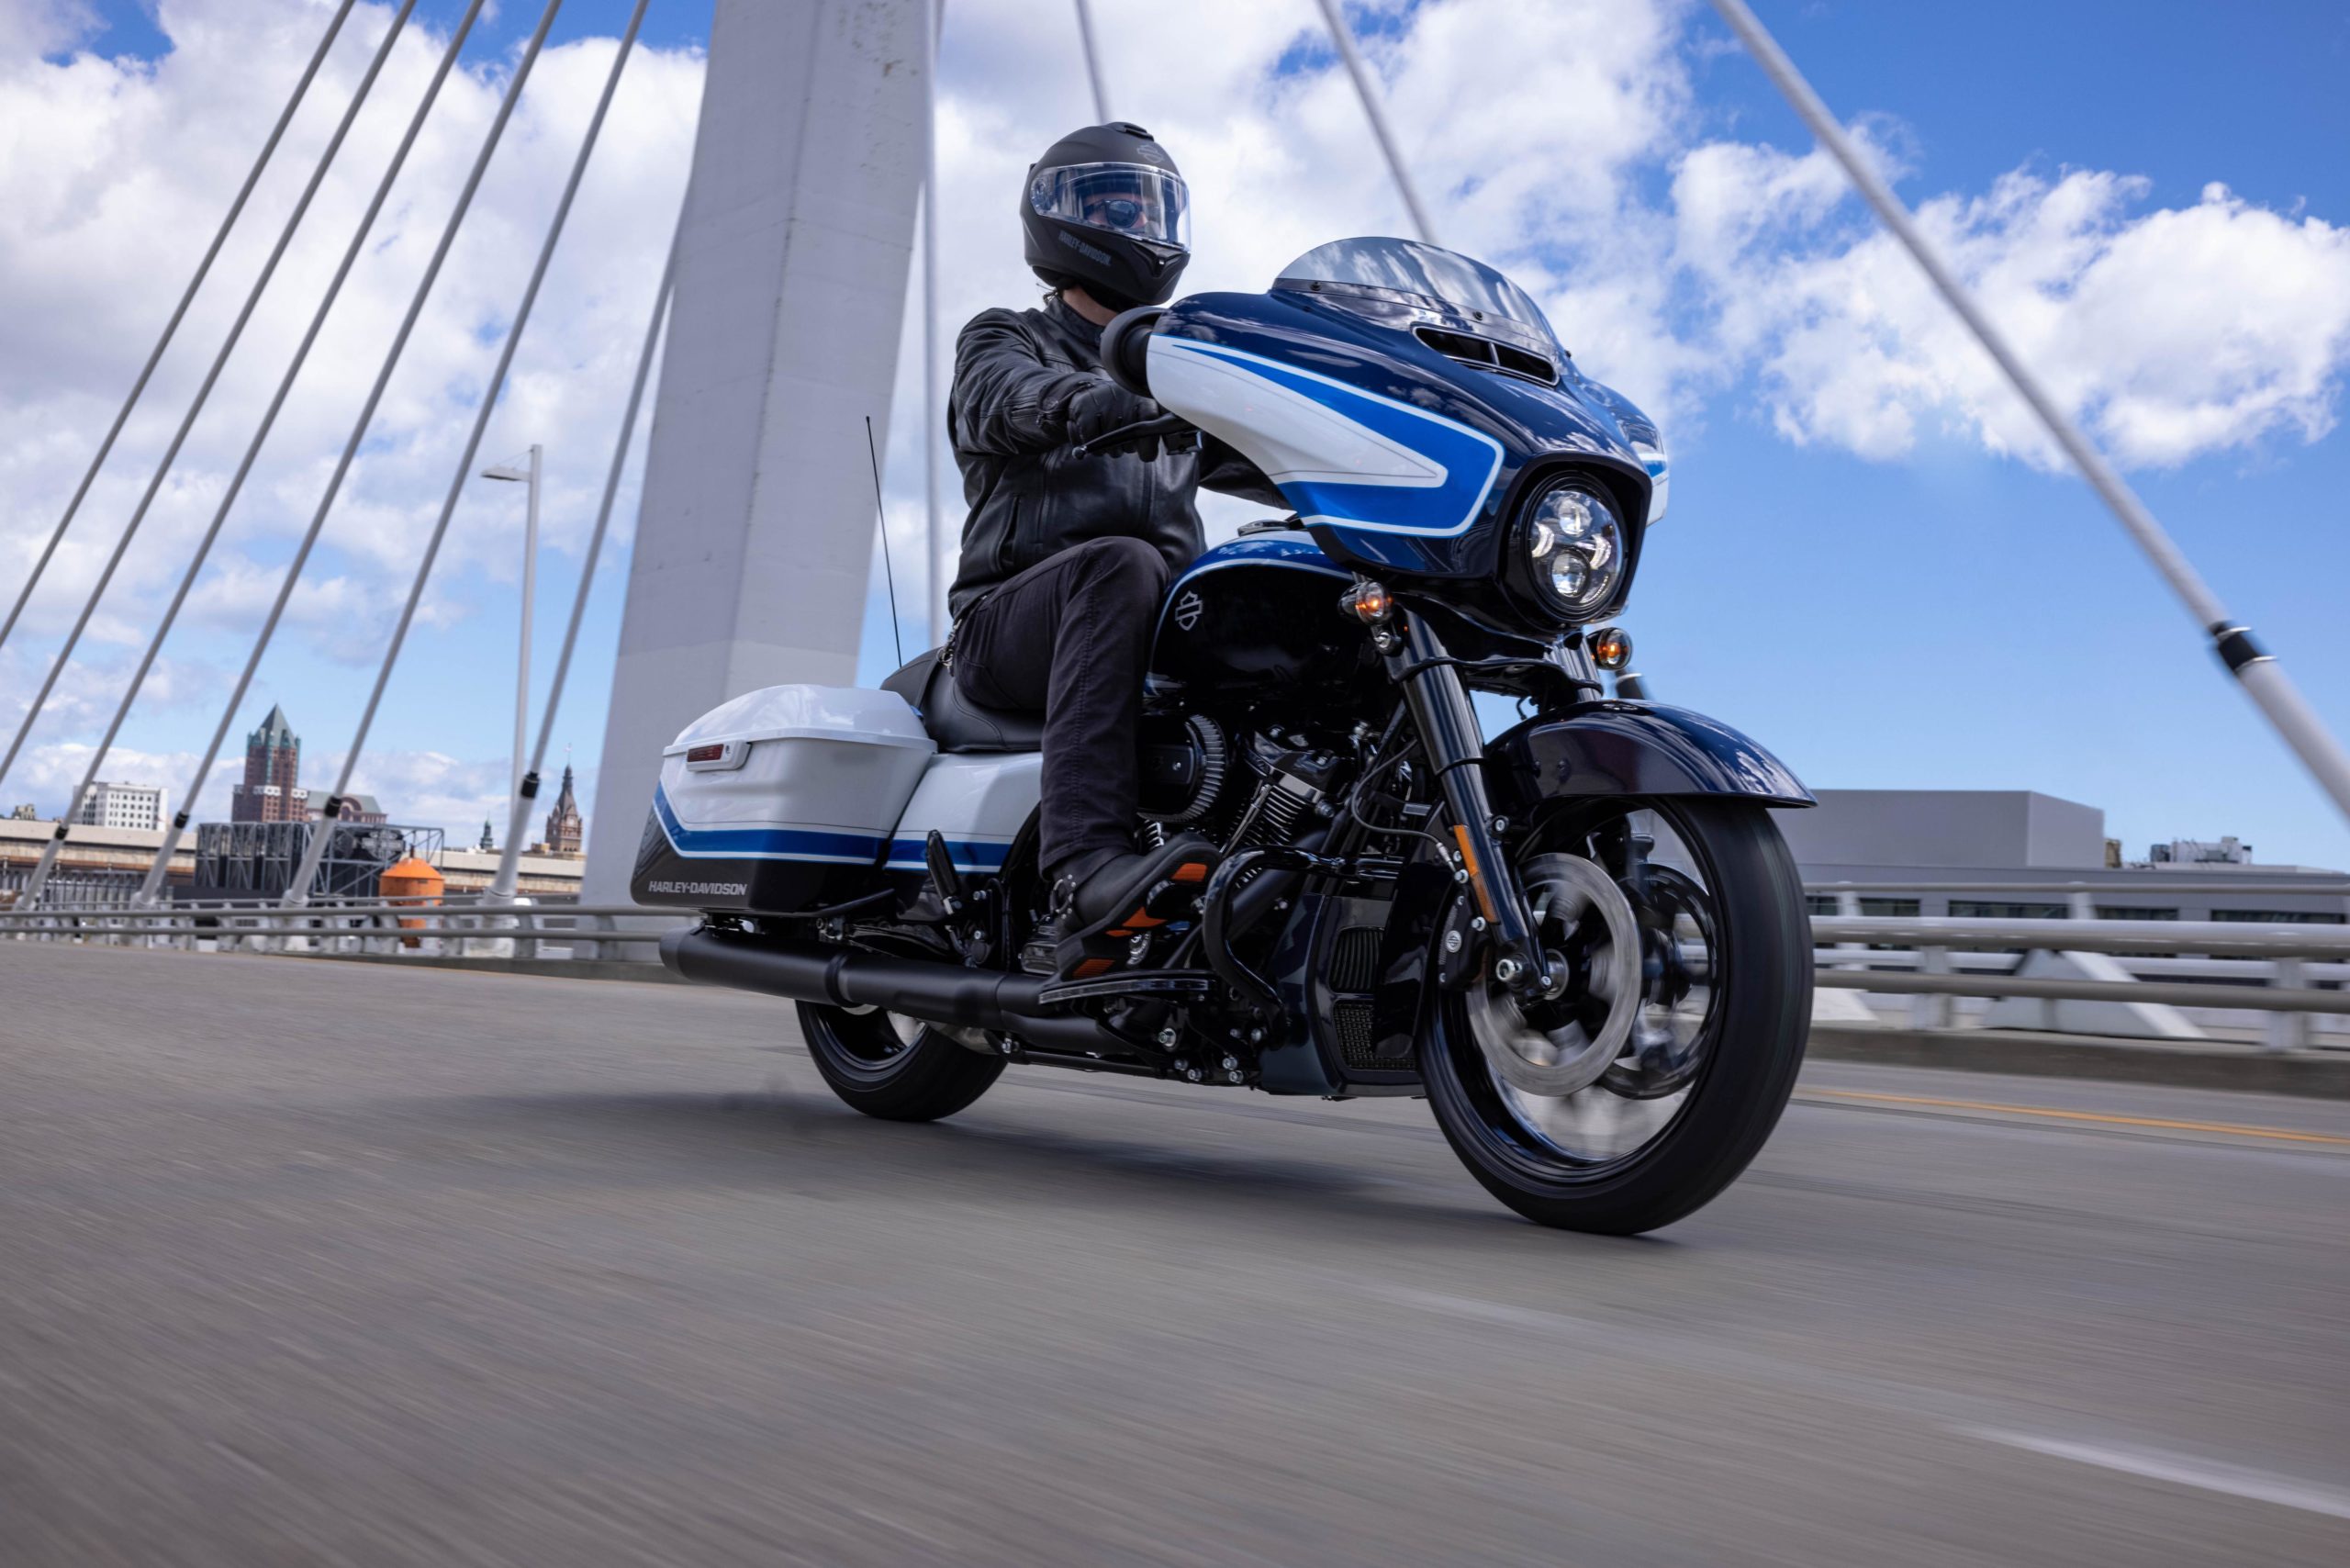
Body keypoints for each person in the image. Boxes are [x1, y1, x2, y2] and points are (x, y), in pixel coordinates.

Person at [942, 122, 1280, 975]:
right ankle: (1083, 874)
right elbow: (1006, 400)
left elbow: (1270, 458)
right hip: (1008, 625)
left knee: (1292, 588)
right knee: (1124, 562)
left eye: (1148, 203)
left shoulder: (1183, 367)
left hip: (1150, 622)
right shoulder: (1005, 336)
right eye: (1110, 202)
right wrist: (1104, 400)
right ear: (1058, 219)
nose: (1135, 218)